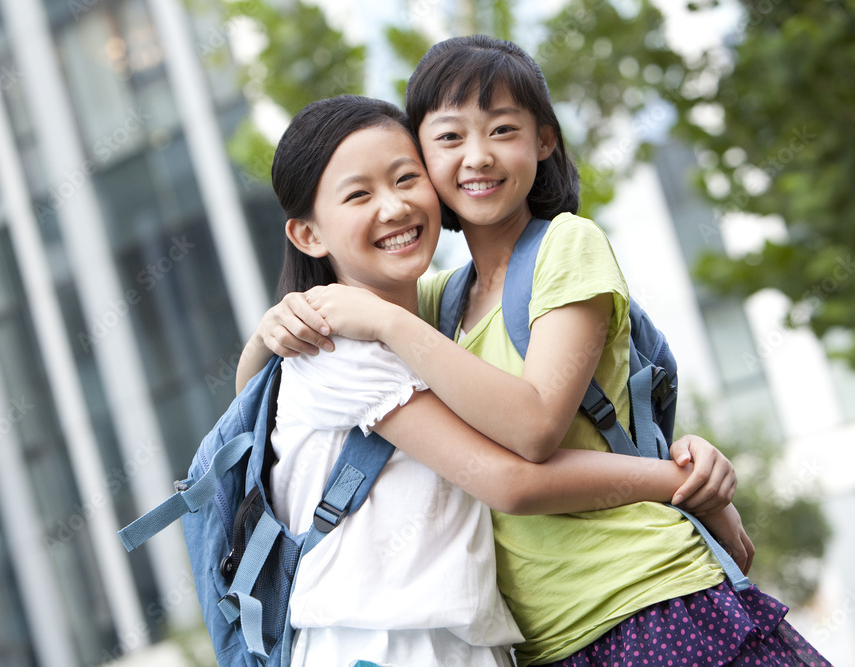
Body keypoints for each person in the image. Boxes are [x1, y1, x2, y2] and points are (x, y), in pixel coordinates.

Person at [244, 37, 831, 667]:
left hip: (646, 599)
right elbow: (265, 401)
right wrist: (269, 332)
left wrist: (693, 485)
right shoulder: (440, 303)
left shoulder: (564, 248)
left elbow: (535, 429)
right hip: (544, 643)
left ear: (544, 141)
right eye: (448, 140)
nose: (478, 157)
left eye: (502, 130)